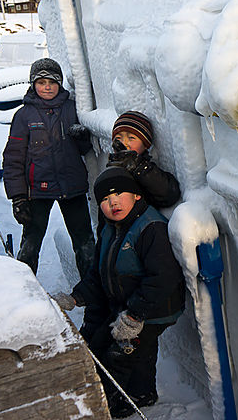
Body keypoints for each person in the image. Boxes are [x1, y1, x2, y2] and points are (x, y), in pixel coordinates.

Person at [56, 167, 185, 418]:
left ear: (136, 196)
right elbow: (97, 274)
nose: (112, 202)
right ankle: (142, 393)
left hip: (154, 309)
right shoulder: (110, 229)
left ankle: (112, 406)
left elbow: (163, 277)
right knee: (109, 346)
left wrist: (135, 316)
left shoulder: (151, 228)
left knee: (118, 355)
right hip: (127, 307)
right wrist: (75, 298)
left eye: (118, 194)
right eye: (104, 198)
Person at [2, 58, 94, 278]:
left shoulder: (72, 108)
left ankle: (94, 298)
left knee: (85, 245)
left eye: (52, 82)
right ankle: (23, 290)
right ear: (33, 84)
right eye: (42, 82)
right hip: (37, 191)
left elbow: (85, 150)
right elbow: (13, 158)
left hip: (72, 188)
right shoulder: (24, 116)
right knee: (30, 246)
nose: (47, 87)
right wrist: (19, 197)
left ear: (60, 84)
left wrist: (83, 138)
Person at [100, 110, 180, 237]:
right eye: (118, 138)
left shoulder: (146, 169)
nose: (124, 143)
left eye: (131, 138)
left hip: (142, 233)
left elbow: (168, 193)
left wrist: (137, 165)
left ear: (146, 145)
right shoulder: (111, 170)